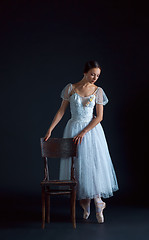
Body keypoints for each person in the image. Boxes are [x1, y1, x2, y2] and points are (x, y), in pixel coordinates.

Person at [44, 60, 119, 223]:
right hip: (73, 128)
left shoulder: (98, 91)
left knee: (93, 164)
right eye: (92, 74)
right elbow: (61, 111)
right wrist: (50, 129)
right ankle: (85, 203)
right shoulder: (71, 88)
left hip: (92, 131)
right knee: (77, 165)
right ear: (85, 72)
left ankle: (98, 202)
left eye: (98, 75)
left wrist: (84, 131)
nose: (95, 78)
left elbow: (99, 117)